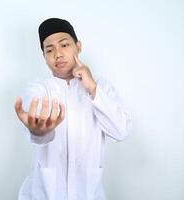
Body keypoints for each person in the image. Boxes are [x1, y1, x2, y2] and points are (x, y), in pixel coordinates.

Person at [14, 18, 131, 200]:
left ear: (78, 46)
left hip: (88, 193)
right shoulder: (37, 89)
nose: (58, 54)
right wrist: (38, 130)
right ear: (43, 56)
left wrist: (92, 88)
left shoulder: (101, 87)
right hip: (44, 193)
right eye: (49, 50)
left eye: (64, 45)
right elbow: (36, 124)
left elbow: (121, 131)